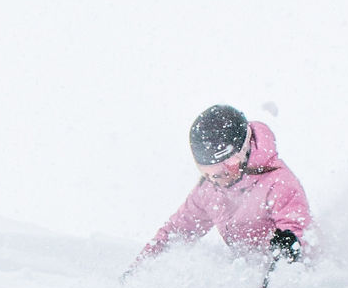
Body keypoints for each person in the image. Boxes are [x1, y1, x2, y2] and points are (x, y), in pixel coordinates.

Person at [132, 104, 312, 269]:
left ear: (245, 150)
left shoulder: (277, 182)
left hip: (288, 275)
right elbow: (177, 232)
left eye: (227, 169)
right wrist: (141, 269)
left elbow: (296, 228)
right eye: (210, 173)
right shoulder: (210, 190)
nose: (219, 180)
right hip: (247, 275)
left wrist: (287, 246)